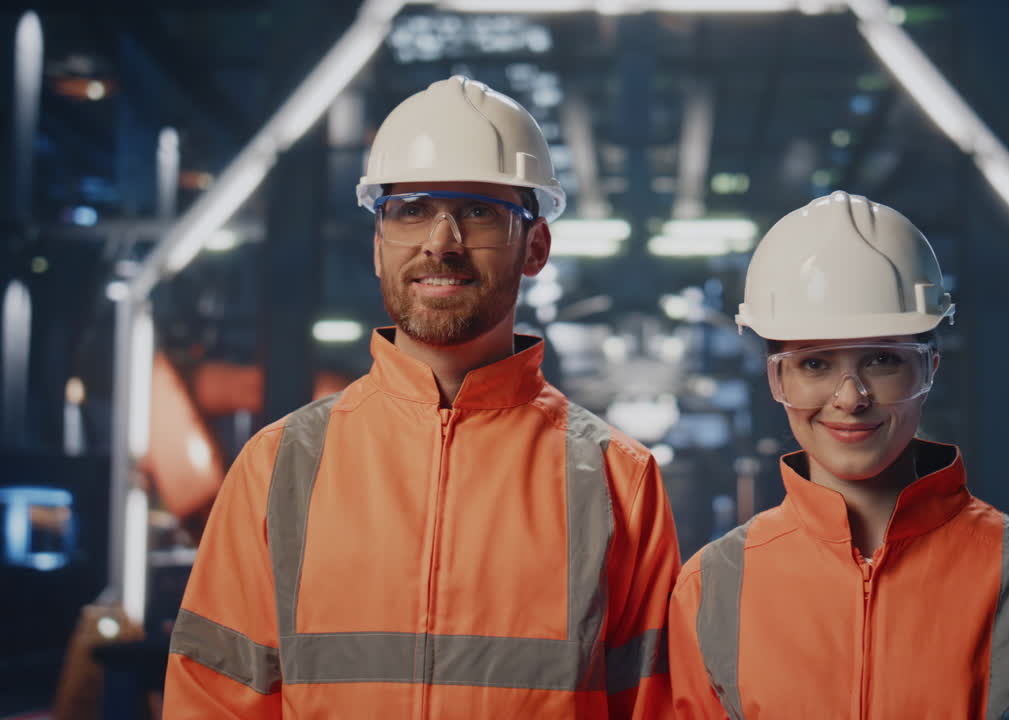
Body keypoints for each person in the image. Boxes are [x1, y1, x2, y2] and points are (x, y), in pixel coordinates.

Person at [163, 76, 681, 719]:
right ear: (379, 247)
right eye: (411, 209)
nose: (441, 241)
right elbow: (212, 702)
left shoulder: (616, 480)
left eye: (478, 212)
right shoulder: (280, 467)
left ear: (536, 247)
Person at [667, 192, 1009, 719]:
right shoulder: (711, 587)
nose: (850, 397)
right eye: (816, 364)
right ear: (776, 376)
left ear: (930, 369)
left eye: (882, 359)